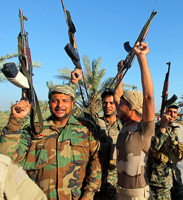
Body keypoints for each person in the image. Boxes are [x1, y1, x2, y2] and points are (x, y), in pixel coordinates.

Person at [0, 69, 101, 200]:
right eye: (55, 101)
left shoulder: (85, 130)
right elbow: (7, 158)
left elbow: (96, 164)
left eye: (65, 101)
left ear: (72, 104)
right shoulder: (34, 130)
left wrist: (88, 195)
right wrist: (15, 121)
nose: (60, 105)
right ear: (48, 103)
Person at [114, 41, 155, 200]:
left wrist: (141, 58)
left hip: (137, 195)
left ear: (132, 107)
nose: (117, 106)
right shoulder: (125, 126)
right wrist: (120, 72)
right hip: (121, 192)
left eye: (121, 105)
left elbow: (148, 97)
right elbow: (117, 96)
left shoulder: (143, 130)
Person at [147, 104, 183, 200]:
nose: (172, 115)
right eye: (170, 112)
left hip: (173, 175)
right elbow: (153, 147)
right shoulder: (155, 127)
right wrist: (163, 125)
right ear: (164, 113)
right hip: (159, 179)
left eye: (175, 112)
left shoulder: (173, 129)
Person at [93, 89, 122, 200]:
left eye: (111, 103)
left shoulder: (124, 125)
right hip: (96, 181)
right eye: (105, 103)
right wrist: (74, 82)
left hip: (116, 183)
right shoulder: (95, 122)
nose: (107, 105)